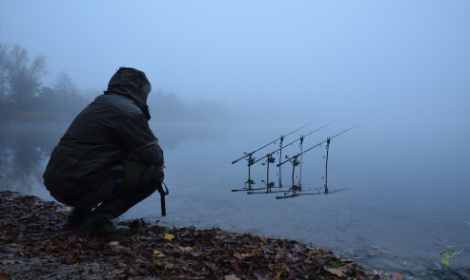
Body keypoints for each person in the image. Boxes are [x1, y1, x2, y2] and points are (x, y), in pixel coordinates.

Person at [43, 67, 166, 237]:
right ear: (140, 91)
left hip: (56, 182)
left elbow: (104, 150)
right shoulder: (129, 112)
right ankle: (98, 221)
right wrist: (154, 162)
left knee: (99, 162)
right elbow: (154, 155)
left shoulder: (98, 104)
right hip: (77, 187)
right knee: (154, 174)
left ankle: (78, 215)